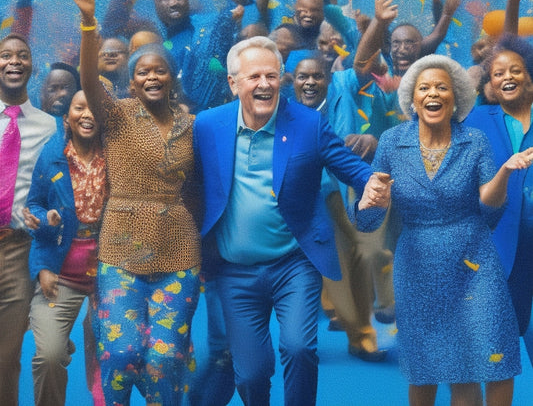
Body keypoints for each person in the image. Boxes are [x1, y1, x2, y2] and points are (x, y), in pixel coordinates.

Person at [193, 36, 390, 405]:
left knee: (299, 348)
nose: (265, 84)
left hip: (294, 263)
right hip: (234, 270)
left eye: (272, 75)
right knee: (250, 373)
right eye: (254, 77)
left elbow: (353, 170)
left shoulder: (308, 124)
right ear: (233, 84)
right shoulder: (207, 125)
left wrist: (371, 185)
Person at [357, 54, 528, 406]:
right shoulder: (391, 142)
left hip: (475, 264)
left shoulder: (475, 140)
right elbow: (371, 219)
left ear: (456, 98)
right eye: (424, 88)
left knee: (491, 353)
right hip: (418, 267)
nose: (433, 93)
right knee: (427, 366)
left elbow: (488, 207)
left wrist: (505, 172)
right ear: (413, 99)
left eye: (441, 87)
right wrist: (368, 203)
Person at [71, 0, 202, 405]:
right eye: (141, 71)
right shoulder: (117, 114)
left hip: (178, 252)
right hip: (122, 249)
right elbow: (89, 78)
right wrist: (90, 24)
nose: (150, 76)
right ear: (131, 80)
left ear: (170, 76)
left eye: (158, 69)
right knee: (122, 352)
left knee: (164, 362)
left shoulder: (190, 123)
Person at [292, 57, 387, 361]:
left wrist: (368, 182)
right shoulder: (278, 113)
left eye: (317, 76)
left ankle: (361, 335)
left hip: (328, 197)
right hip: (281, 204)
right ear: (290, 81)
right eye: (303, 76)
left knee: (351, 263)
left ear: (328, 81)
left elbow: (343, 161)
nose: (310, 82)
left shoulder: (335, 107)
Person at [23, 90, 107, 406]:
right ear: (67, 118)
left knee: (116, 348)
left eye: (94, 108)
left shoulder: (116, 155)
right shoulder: (52, 156)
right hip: (61, 273)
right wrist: (47, 218)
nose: (87, 114)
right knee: (49, 357)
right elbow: (35, 203)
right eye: (79, 108)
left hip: (109, 273)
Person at [465, 36, 533, 367]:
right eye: (498, 73)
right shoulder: (476, 121)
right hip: (496, 252)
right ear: (490, 84)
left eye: (515, 70)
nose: (506, 77)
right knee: (492, 358)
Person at [0, 33, 56, 405]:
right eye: (5, 55)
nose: (14, 61)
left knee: (4, 356)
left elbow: (53, 193)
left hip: (16, 251)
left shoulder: (50, 127)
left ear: (33, 66)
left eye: (23, 55)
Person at [154, 0, 241, 113]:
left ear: (187, 0)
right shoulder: (152, 38)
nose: (173, 3)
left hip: (218, 111)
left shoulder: (210, 24)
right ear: (156, 3)